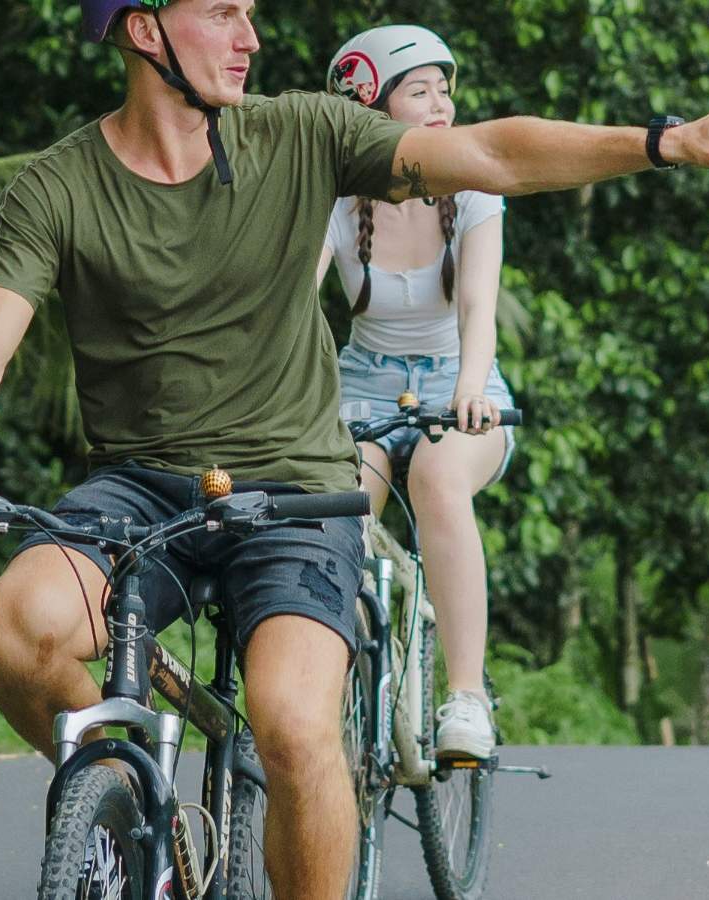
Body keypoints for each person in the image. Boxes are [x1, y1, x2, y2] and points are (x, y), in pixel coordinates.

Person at [0, 1, 709, 895]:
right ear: (146, 30)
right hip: (140, 490)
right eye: (224, 15)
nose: (251, 38)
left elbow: (485, 151)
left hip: (295, 496)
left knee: (296, 724)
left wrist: (662, 141)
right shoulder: (60, 184)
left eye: (250, 15)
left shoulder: (301, 133)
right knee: (18, 629)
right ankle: (134, 809)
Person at [313, 23, 514, 762]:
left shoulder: (475, 187)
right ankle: (327, 686)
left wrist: (468, 389)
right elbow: (298, 310)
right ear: (372, 108)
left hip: (462, 381)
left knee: (436, 476)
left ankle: (463, 699)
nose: (440, 107)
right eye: (418, 91)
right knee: (337, 502)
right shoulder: (335, 200)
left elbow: (478, 311)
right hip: (361, 387)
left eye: (445, 91)